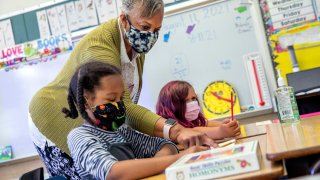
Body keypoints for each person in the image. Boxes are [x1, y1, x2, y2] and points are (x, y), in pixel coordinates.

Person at [28, 0, 214, 178]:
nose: (151, 36)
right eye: (145, 27)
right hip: (54, 115)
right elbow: (113, 172)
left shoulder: (135, 45)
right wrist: (177, 134)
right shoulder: (98, 47)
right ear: (124, 20)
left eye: (157, 30)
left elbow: (156, 141)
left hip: (102, 126)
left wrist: (167, 154)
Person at [65, 61, 209, 179]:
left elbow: (165, 145)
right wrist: (181, 157)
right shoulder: (79, 136)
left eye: (121, 98)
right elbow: (113, 173)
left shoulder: (121, 131)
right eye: (111, 99)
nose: (119, 104)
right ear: (85, 103)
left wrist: (150, 165)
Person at [156, 80, 241, 139]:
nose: (192, 103)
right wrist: (220, 131)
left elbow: (205, 123)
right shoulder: (168, 124)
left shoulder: (190, 120)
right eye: (185, 101)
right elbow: (192, 131)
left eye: (193, 98)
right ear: (171, 105)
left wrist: (225, 125)